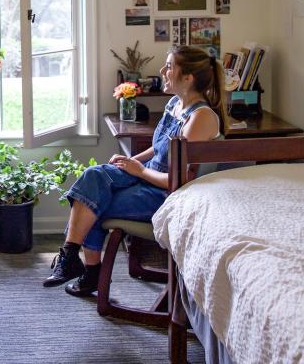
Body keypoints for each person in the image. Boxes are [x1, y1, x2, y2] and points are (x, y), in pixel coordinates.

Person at [43, 45, 226, 296]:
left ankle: (87, 271)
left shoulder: (201, 118)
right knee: (94, 176)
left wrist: (138, 170)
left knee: (92, 202)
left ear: (188, 77)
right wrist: (129, 161)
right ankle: (71, 256)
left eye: (170, 66)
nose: (163, 71)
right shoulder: (175, 103)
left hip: (166, 194)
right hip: (147, 174)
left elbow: (179, 180)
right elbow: (157, 149)